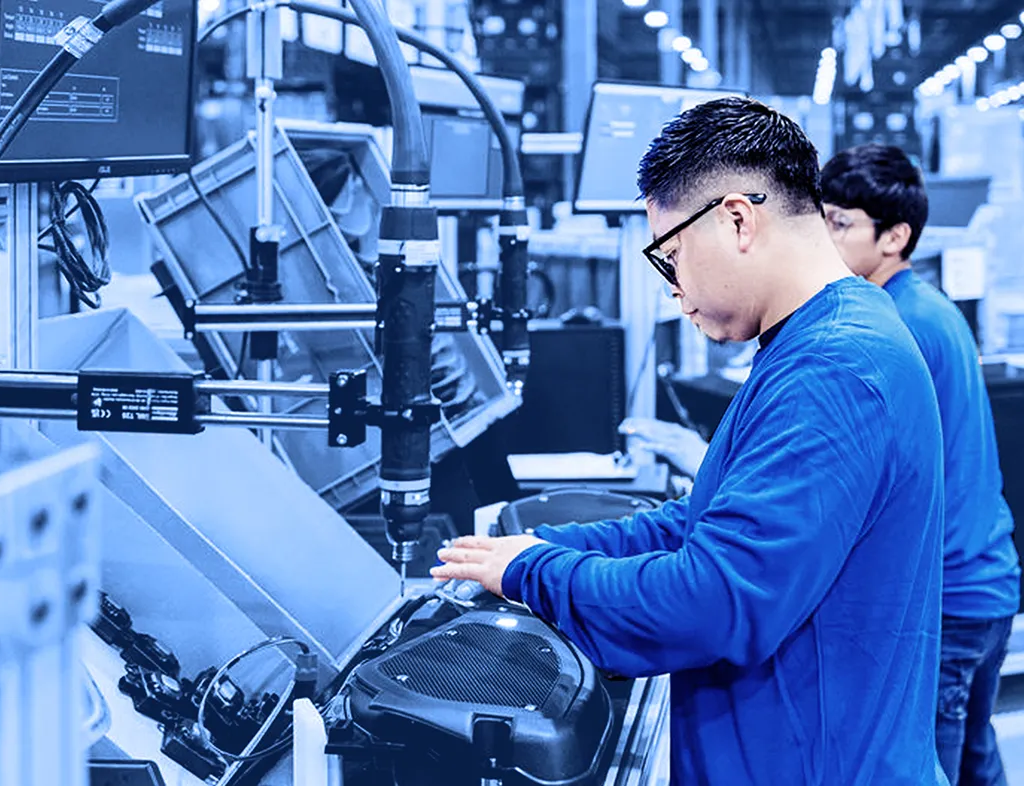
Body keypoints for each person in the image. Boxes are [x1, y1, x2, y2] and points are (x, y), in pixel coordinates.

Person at [432, 97, 949, 785]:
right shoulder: (819, 338)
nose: (675, 290)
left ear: (737, 219)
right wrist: (546, 550)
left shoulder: (835, 368)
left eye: (672, 256)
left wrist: (537, 575)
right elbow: (704, 524)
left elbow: (716, 599)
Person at [821, 142, 1020, 786]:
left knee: (929, 767)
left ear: (895, 236)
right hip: (986, 585)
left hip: (952, 599)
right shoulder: (926, 306)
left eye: (841, 223)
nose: (823, 237)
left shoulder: (894, 324)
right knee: (976, 765)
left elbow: (865, 475)